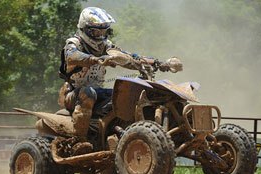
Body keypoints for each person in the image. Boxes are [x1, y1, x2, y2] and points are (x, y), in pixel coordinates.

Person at [58, 7, 181, 141]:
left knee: (124, 95)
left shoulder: (105, 46)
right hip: (73, 94)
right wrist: (94, 59)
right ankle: (79, 140)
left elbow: (125, 57)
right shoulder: (74, 43)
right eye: (96, 31)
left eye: (103, 31)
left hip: (97, 91)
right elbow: (72, 56)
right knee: (88, 93)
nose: (100, 35)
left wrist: (157, 63)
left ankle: (118, 132)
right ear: (85, 29)